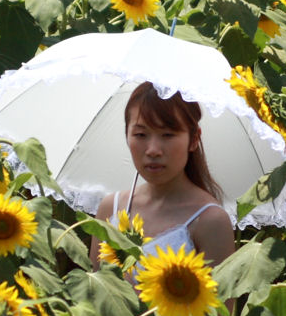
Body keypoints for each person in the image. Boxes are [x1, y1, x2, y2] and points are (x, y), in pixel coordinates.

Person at [90, 82, 235, 269]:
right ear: (126, 134)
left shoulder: (210, 221)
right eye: (141, 135)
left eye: (167, 135)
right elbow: (92, 291)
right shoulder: (111, 209)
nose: (153, 150)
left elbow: (220, 298)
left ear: (194, 139)